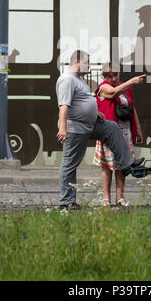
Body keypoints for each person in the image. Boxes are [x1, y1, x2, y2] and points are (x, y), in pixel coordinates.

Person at [56, 50, 146, 210]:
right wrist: (63, 129)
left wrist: (95, 113)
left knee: (111, 127)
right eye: (87, 63)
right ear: (77, 61)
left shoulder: (78, 79)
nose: (89, 66)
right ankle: (66, 202)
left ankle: (126, 165)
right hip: (75, 128)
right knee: (70, 164)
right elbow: (64, 106)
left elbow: (82, 101)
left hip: (89, 124)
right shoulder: (67, 79)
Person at [93, 62, 144, 207]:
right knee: (108, 165)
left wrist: (138, 128)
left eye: (116, 75)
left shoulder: (124, 87)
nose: (114, 78)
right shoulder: (103, 87)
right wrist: (132, 81)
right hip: (109, 131)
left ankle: (120, 197)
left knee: (122, 165)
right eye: (110, 76)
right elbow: (112, 92)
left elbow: (132, 108)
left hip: (125, 130)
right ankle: (106, 197)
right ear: (104, 76)